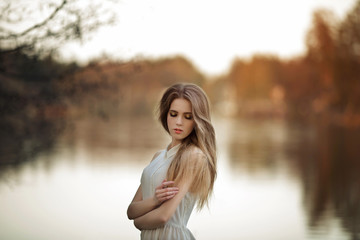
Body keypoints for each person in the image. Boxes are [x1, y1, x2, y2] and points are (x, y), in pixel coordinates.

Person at [127, 83, 217, 240]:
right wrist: (155, 200)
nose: (179, 122)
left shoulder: (194, 156)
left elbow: (163, 216)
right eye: (174, 114)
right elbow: (131, 211)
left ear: (197, 121)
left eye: (188, 117)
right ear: (166, 115)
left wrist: (138, 223)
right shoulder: (158, 157)